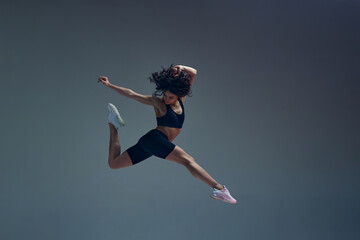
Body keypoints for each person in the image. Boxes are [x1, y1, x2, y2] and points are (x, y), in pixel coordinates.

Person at [97, 64, 236, 204]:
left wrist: (180, 67)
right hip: (156, 139)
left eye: (171, 97)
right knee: (188, 160)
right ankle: (219, 189)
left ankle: (113, 123)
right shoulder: (159, 103)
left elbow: (193, 73)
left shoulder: (181, 100)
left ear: (179, 94)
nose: (166, 99)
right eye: (165, 95)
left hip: (153, 143)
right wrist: (109, 85)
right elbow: (132, 94)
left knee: (114, 163)